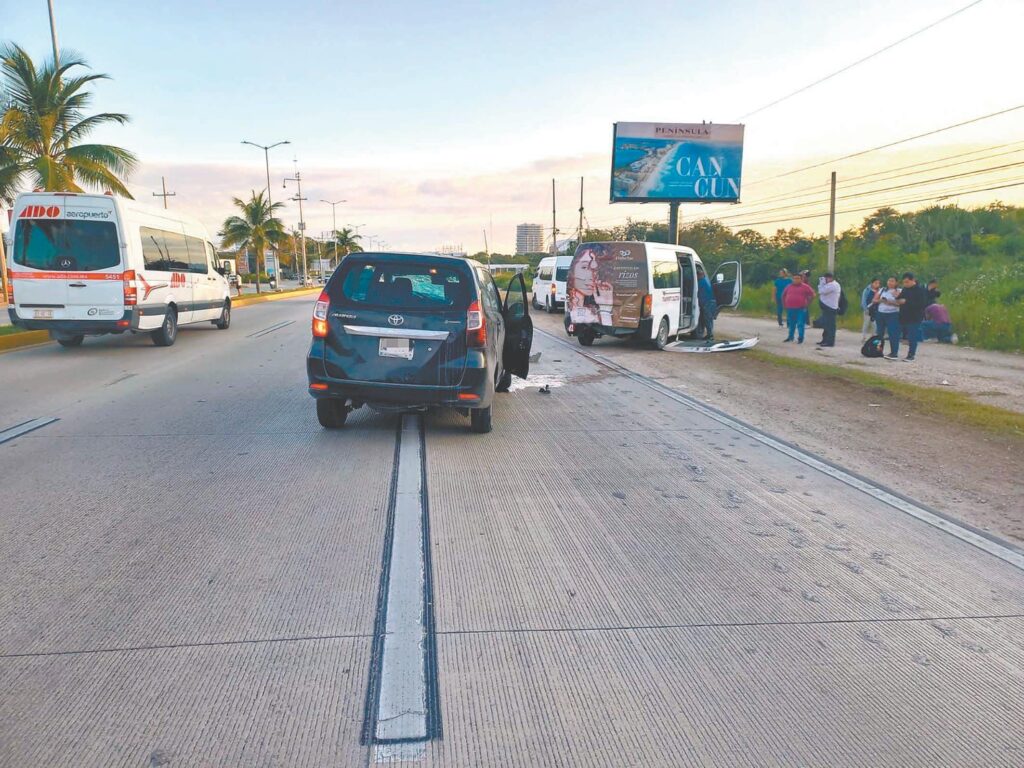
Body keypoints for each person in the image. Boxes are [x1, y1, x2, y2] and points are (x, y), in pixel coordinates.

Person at [895, 271, 927, 361]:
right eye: (904, 282)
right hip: (903, 316)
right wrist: (897, 298)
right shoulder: (905, 289)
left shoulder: (920, 290)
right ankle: (894, 352)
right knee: (896, 333)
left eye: (907, 282)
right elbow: (899, 298)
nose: (905, 284)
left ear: (913, 280)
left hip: (915, 317)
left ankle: (911, 354)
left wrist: (906, 302)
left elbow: (922, 304)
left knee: (912, 336)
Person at [781, 272, 815, 343]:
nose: (796, 280)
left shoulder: (805, 286)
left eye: (798, 278)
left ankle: (800, 338)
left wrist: (808, 303)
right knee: (791, 324)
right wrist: (784, 304)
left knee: (800, 323)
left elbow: (813, 295)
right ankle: (790, 337)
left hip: (801, 308)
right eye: (794, 278)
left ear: (801, 279)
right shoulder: (789, 286)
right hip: (790, 308)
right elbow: (783, 295)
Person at [873, 277, 902, 358]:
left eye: (892, 281)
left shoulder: (899, 291)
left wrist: (889, 302)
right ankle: (878, 350)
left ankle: (894, 352)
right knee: (879, 333)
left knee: (893, 333)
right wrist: (881, 300)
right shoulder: (882, 290)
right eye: (889, 280)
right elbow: (874, 300)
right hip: (881, 313)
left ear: (896, 283)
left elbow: (900, 303)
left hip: (893, 314)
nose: (890, 282)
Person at [816, 272, 841, 348]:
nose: (825, 280)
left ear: (830, 278)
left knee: (830, 326)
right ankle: (825, 340)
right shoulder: (829, 285)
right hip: (827, 307)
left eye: (826, 278)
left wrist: (821, 283)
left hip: (830, 308)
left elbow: (820, 291)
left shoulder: (833, 285)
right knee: (826, 325)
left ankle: (830, 342)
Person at [696, 265, 717, 341]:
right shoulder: (706, 281)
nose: (697, 277)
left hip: (707, 303)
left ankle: (710, 335)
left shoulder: (700, 282)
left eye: (697, 275)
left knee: (707, 319)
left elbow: (696, 293)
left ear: (699, 275)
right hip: (711, 302)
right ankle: (708, 334)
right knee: (708, 319)